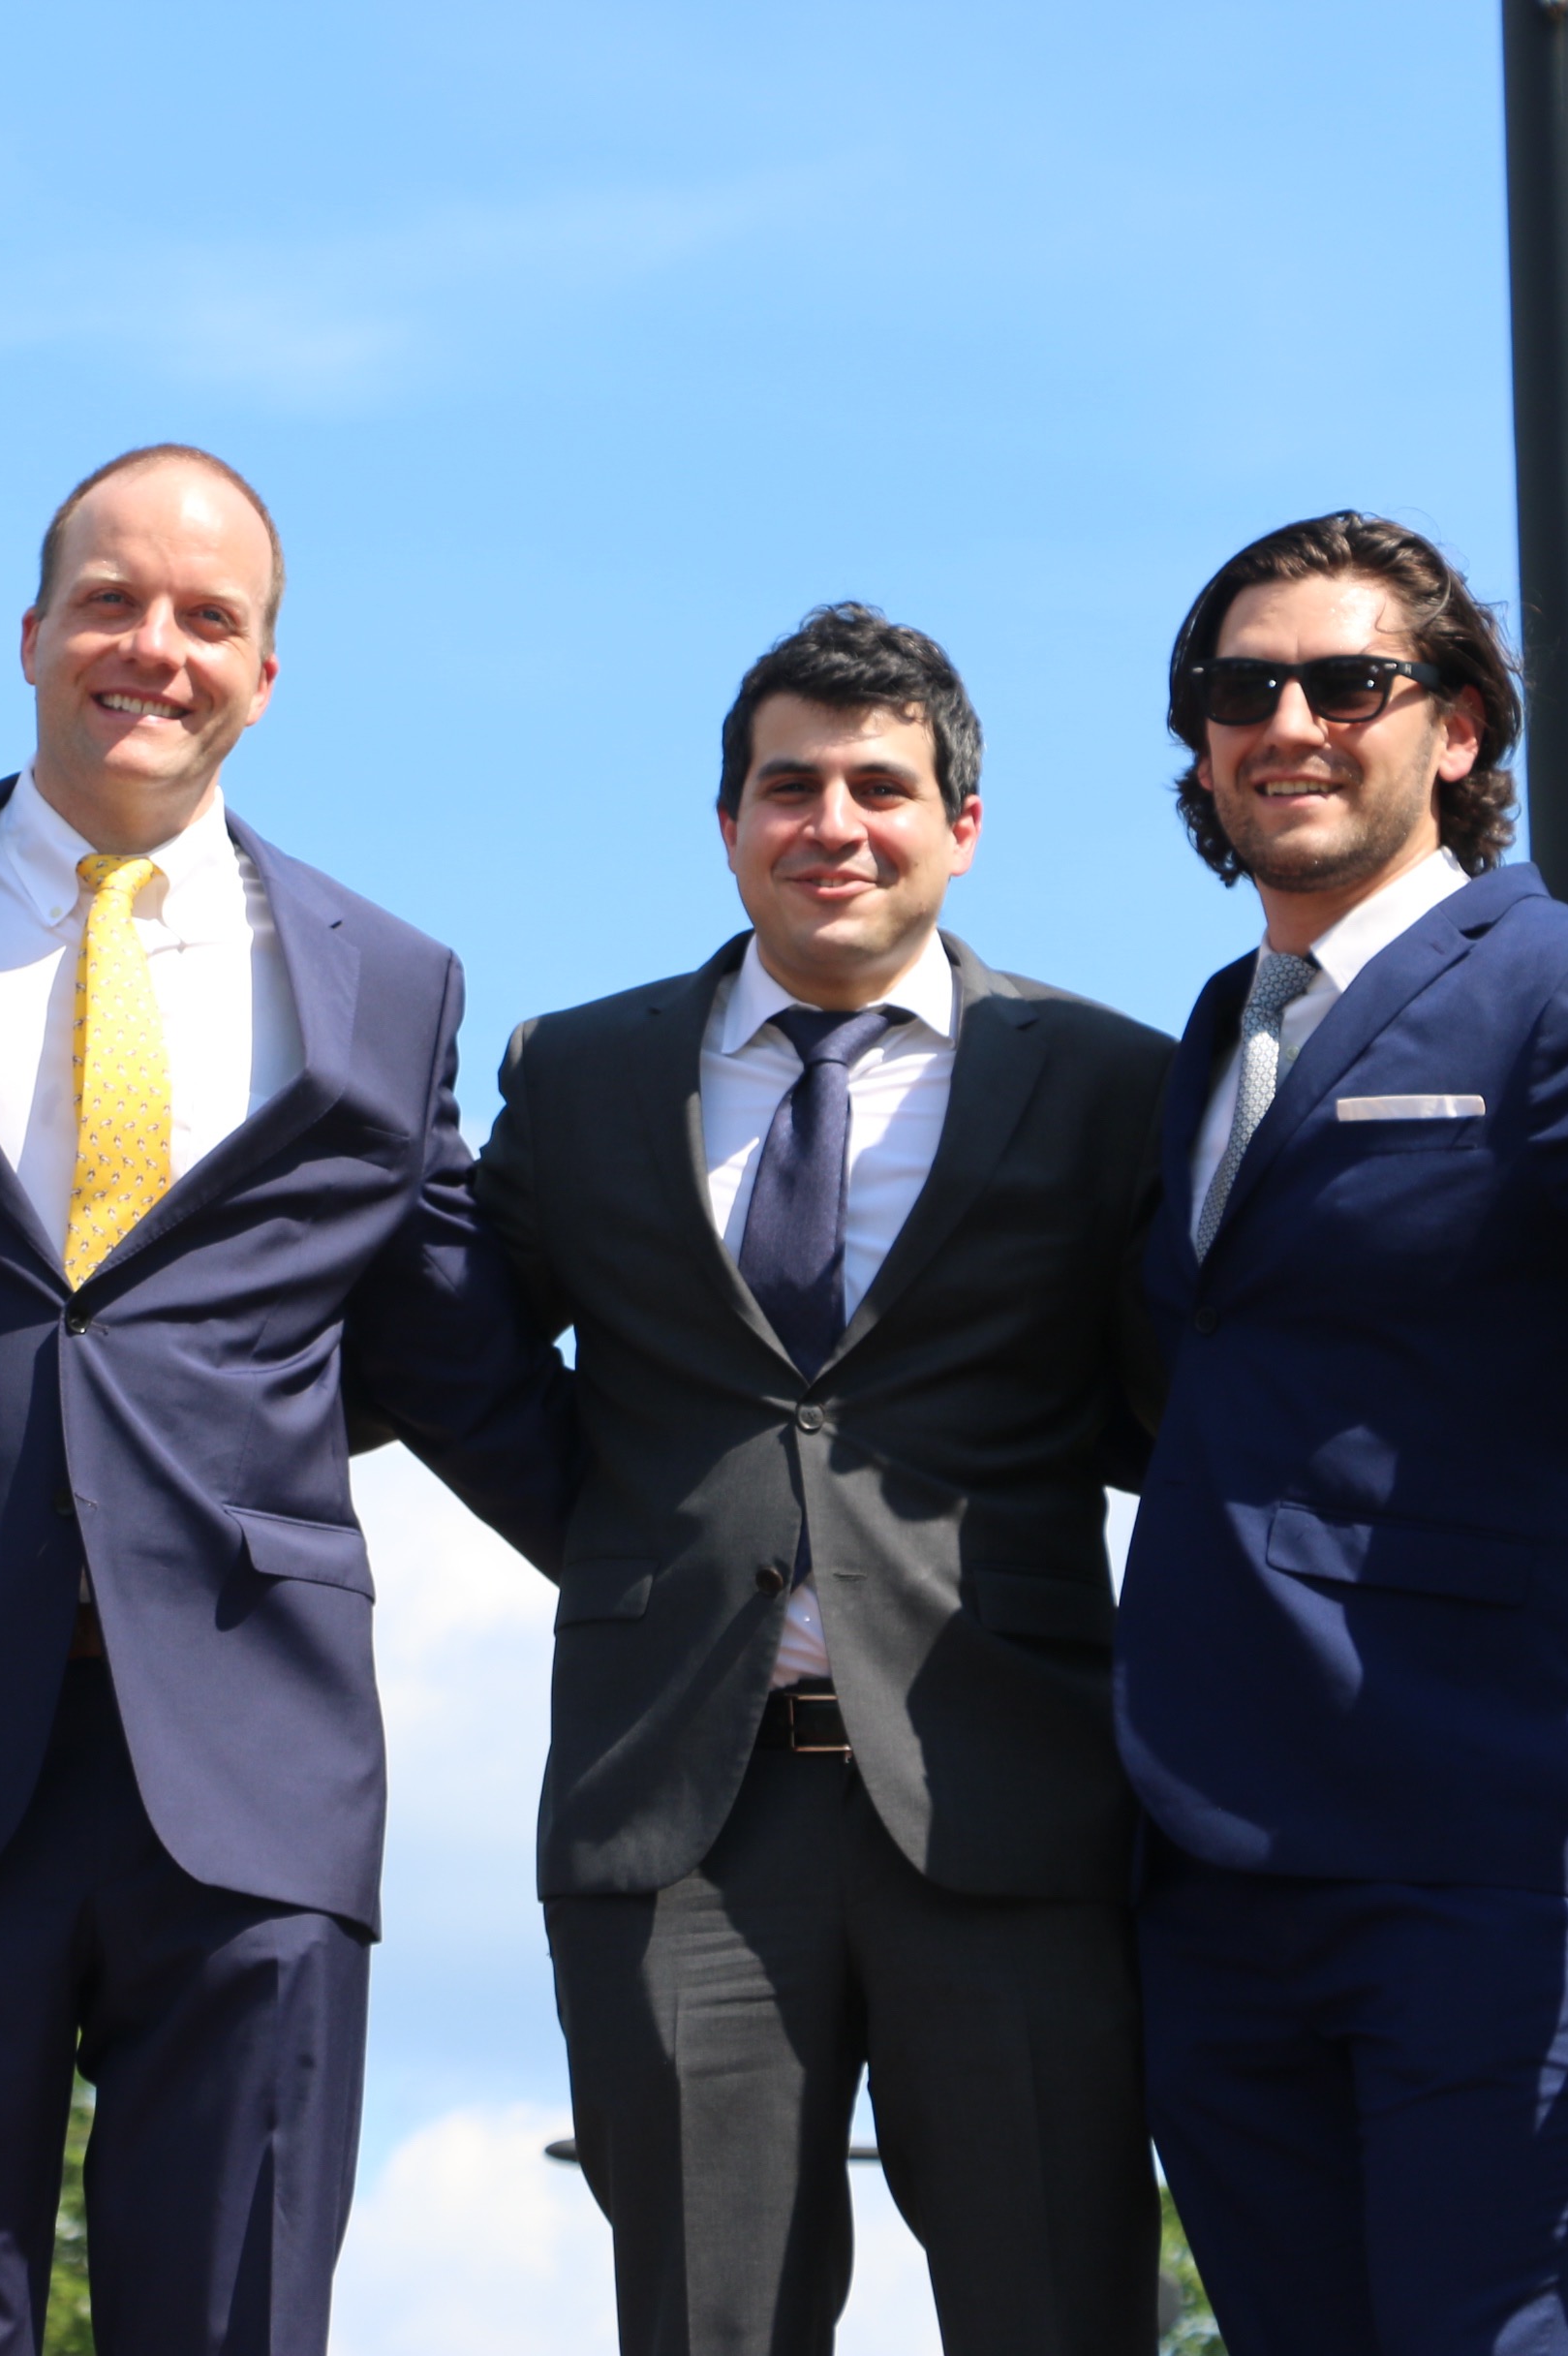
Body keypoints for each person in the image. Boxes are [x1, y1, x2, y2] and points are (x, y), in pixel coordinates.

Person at [0, 447, 573, 2356]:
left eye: (209, 619)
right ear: (32, 632)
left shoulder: (387, 985)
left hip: (257, 1765)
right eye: (112, 601)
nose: (155, 648)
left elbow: (462, 1364)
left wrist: (727, 1579)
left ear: (265, 674)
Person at [474, 604, 1173, 2356]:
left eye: (880, 786)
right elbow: (461, 1362)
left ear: (962, 826)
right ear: (729, 825)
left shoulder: (1107, 1083)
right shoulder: (581, 1073)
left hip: (1009, 1802)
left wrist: (1533, 1464)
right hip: (679, 1820)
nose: (832, 825)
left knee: (1058, 2315)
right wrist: (621, 1542)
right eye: (789, 788)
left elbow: (1208, 1394)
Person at [1120, 512, 1568, 2355]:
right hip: (1216, 1871)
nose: (1287, 724)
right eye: (1241, 689)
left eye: (1347, 683)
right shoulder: (1220, 1033)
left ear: (1458, 729)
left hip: (1489, 1856)